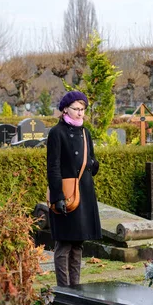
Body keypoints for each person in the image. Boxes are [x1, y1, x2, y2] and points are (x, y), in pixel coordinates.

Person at [46, 90, 102, 287]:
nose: (80, 113)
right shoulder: (56, 133)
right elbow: (52, 167)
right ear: (65, 110)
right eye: (76, 109)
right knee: (64, 244)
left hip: (84, 192)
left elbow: (92, 160)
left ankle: (76, 287)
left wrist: (94, 164)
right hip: (65, 192)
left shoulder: (85, 132)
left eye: (83, 109)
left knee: (78, 243)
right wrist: (57, 196)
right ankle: (63, 288)